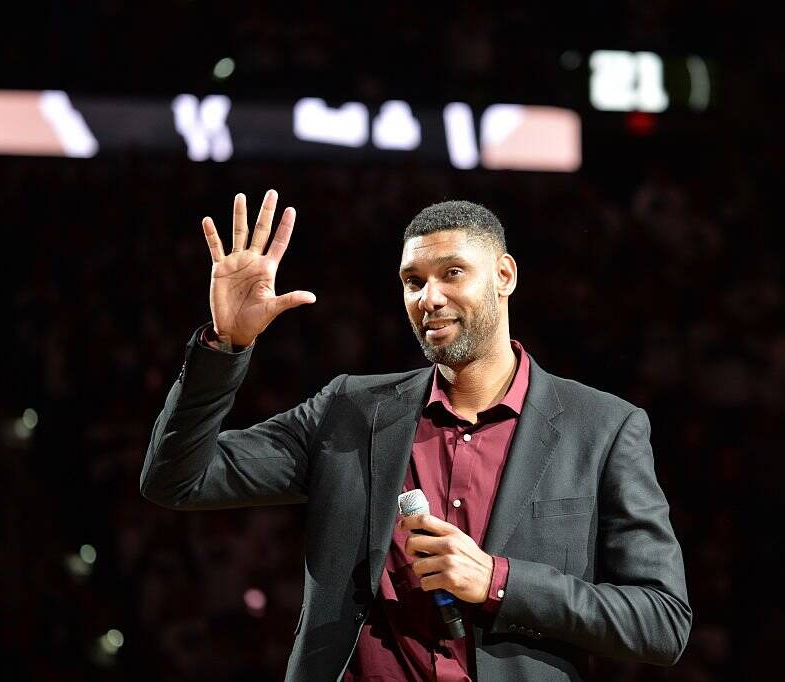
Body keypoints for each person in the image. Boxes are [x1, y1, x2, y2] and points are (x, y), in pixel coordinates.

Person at [140, 190, 692, 681]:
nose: (428, 298)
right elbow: (178, 480)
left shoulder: (602, 427)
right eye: (413, 281)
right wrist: (224, 346)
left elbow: (663, 623)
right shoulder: (349, 410)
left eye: (452, 273)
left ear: (505, 275)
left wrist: (498, 582)